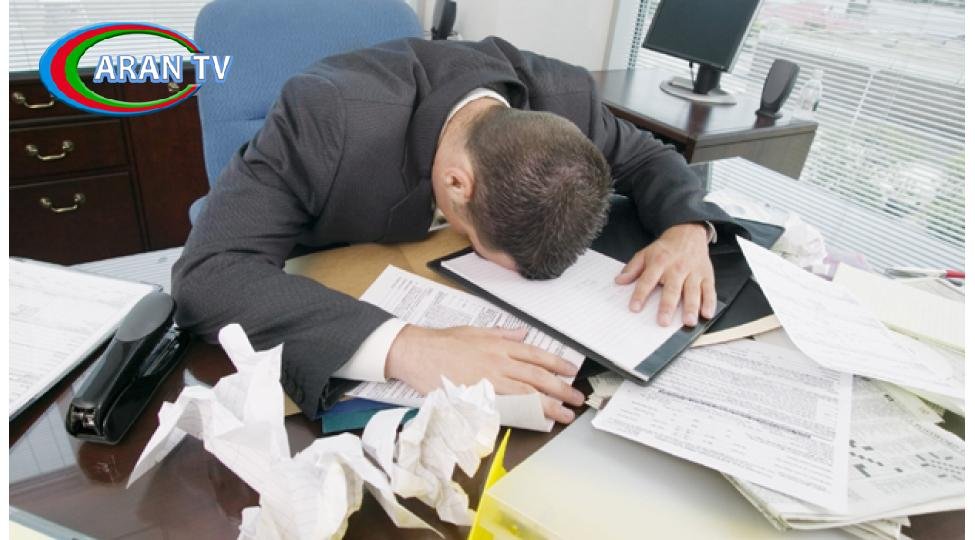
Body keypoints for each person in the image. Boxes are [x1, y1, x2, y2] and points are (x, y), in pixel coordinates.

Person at [173, 36, 740, 424]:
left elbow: (649, 157)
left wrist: (687, 227)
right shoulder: (326, 116)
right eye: (492, 251)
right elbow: (208, 274)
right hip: (327, 274)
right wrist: (410, 349)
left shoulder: (565, 99)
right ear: (456, 184)